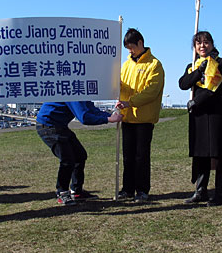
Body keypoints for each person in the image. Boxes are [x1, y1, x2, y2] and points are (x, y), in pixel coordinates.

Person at [178, 31, 222, 206]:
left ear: (212, 44)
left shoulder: (221, 63)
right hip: (199, 117)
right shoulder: (193, 65)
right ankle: (200, 191)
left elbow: (217, 89)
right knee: (200, 155)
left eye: (206, 42)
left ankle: (219, 194)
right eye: (198, 43)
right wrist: (198, 71)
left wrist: (196, 101)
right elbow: (183, 84)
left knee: (219, 154)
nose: (202, 46)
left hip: (217, 114)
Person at [36, 101, 122, 206]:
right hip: (48, 126)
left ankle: (77, 191)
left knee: (80, 156)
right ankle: (62, 193)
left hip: (60, 126)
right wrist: (108, 119)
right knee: (67, 160)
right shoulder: (73, 93)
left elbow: (91, 109)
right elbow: (84, 117)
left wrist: (110, 115)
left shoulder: (82, 93)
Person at [116, 28, 164, 203]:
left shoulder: (154, 65)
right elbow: (123, 87)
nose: (130, 51)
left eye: (132, 47)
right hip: (127, 117)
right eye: (127, 48)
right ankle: (127, 189)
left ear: (140, 43)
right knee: (128, 156)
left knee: (141, 156)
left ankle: (142, 190)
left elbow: (151, 91)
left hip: (144, 119)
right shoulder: (126, 64)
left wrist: (131, 102)